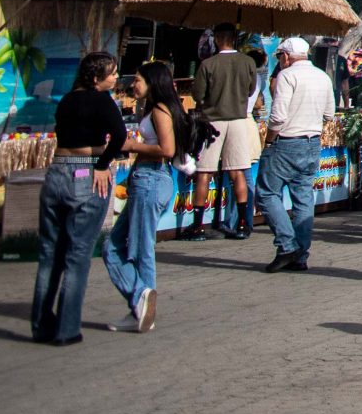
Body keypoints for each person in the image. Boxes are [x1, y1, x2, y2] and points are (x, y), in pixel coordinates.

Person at [32, 51, 123, 344]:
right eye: (112, 73)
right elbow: (119, 136)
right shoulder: (102, 101)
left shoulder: (68, 100)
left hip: (57, 172)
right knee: (77, 254)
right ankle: (67, 328)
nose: (116, 77)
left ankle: (41, 325)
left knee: (49, 255)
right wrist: (101, 165)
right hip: (85, 173)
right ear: (96, 78)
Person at [102, 62, 180, 333]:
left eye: (137, 79)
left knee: (139, 247)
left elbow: (167, 149)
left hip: (152, 178)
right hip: (146, 178)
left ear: (152, 81)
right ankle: (140, 304)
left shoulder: (159, 111)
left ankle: (141, 302)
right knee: (114, 248)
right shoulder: (153, 109)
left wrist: (132, 145)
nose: (133, 84)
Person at [256, 34, 335, 272]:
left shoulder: (287, 76)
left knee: (267, 193)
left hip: (287, 142)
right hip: (311, 142)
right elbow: (329, 114)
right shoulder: (322, 76)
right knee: (303, 198)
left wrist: (269, 142)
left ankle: (287, 245)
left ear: (287, 56)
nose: (280, 60)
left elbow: (278, 116)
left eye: (280, 56)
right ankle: (300, 253)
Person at [190, 23, 259, 240]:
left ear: (218, 39)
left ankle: (198, 226)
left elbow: (198, 94)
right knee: (237, 171)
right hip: (239, 119)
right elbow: (250, 90)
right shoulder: (247, 62)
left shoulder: (208, 64)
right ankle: (240, 223)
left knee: (204, 172)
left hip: (213, 121)